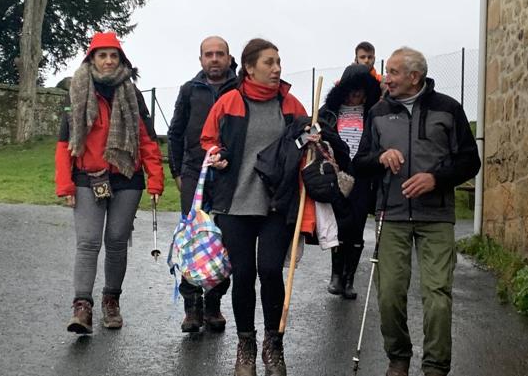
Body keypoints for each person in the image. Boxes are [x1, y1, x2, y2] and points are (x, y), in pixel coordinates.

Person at [353, 47, 480, 376]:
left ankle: (436, 367)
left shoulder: (448, 109)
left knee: (438, 295)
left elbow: (470, 161)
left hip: (435, 217)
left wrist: (435, 179)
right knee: (389, 294)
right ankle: (398, 357)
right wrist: (380, 157)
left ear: (414, 76)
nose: (387, 78)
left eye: (393, 72)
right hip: (391, 216)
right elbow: (360, 163)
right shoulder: (378, 112)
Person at [201, 38, 308, 376]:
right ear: (249, 68)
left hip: (277, 204)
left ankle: (273, 346)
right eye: (269, 62)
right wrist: (215, 153)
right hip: (235, 203)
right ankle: (245, 344)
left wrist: (313, 138)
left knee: (271, 271)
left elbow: (307, 137)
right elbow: (207, 138)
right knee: (243, 275)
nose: (277, 68)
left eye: (278, 62)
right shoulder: (229, 101)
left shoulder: (291, 104)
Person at [55, 32, 164, 334]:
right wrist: (65, 184)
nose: (107, 60)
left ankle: (111, 301)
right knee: (88, 242)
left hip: (126, 177)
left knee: (116, 242)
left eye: (113, 55)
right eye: (101, 55)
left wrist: (156, 179)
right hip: (86, 178)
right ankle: (82, 307)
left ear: (121, 60)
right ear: (91, 59)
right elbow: (64, 142)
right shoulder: (76, 91)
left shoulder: (132, 94)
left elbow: (147, 140)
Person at [167, 35, 236, 333]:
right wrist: (177, 173)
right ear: (201, 60)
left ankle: (214, 304)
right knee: (193, 240)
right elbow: (175, 133)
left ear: (229, 58)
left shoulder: (239, 89)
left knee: (225, 241)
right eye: (209, 54)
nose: (215, 59)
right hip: (194, 173)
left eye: (220, 53)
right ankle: (191, 308)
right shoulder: (188, 90)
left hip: (228, 175)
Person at [318, 64, 381, 299]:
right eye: (351, 90)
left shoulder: (374, 113)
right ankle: (336, 275)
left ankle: (349, 279)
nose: (355, 95)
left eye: (360, 90)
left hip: (363, 177)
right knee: (340, 226)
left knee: (356, 227)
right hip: (337, 175)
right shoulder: (328, 113)